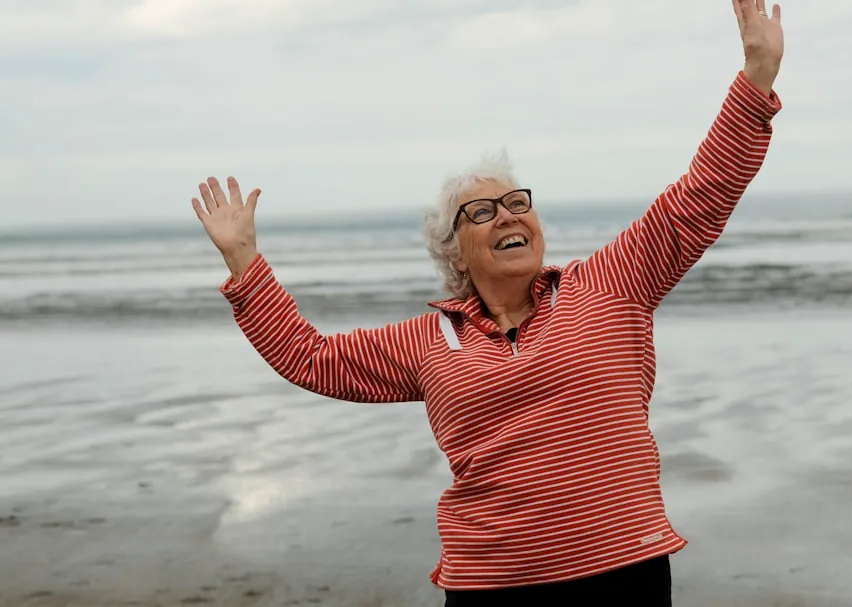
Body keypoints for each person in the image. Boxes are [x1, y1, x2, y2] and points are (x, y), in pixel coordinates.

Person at [190, 1, 783, 604]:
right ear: (456, 254)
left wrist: (756, 79)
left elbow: (699, 198)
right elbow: (310, 357)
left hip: (623, 570)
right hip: (492, 585)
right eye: (481, 212)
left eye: (517, 202)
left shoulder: (609, 285)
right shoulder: (427, 342)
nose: (506, 214)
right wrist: (244, 261)